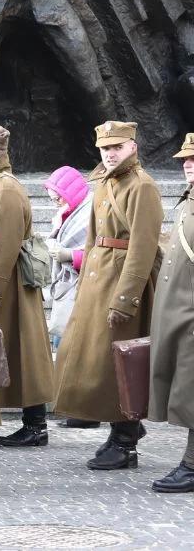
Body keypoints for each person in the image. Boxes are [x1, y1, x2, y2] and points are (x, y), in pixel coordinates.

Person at [54, 121, 162, 471]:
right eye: (105, 148)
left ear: (133, 146)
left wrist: (126, 298)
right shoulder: (103, 183)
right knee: (99, 363)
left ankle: (125, 439)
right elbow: (92, 239)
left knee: (120, 366)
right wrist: (86, 283)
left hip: (121, 284)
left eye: (118, 146)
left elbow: (142, 249)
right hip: (99, 281)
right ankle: (122, 430)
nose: (111, 153)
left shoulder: (142, 186)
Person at [0, 126, 55, 448]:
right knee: (14, 352)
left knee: (22, 353)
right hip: (1, 280)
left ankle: (35, 425)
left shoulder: (4, 189)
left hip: (9, 285)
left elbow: (4, 246)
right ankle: (32, 423)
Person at [148, 132, 194, 493]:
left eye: (193, 160)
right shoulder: (187, 200)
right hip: (182, 313)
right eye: (184, 160)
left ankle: (191, 466)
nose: (187, 165)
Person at [42, 166, 98, 429]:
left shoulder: (87, 213)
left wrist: (70, 256)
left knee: (79, 354)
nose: (55, 200)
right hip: (67, 289)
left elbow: (100, 252)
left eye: (58, 195)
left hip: (82, 289)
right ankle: (79, 409)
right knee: (68, 353)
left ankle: (88, 412)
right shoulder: (67, 213)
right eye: (52, 195)